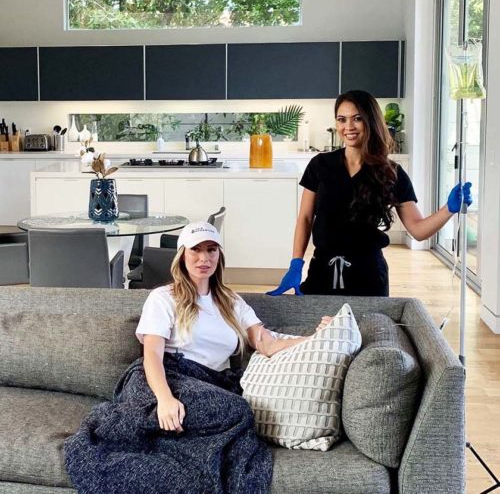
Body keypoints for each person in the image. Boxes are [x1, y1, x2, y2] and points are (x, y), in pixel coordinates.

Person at [65, 221, 308, 494]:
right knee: (237, 411)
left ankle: (172, 447)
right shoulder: (163, 298)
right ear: (182, 255)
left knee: (236, 410)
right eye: (196, 250)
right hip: (161, 377)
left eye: (211, 250)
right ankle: (143, 427)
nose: (204, 258)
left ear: (220, 255)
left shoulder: (232, 302)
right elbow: (152, 356)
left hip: (208, 384)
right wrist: (165, 398)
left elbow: (267, 343)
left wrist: (317, 338)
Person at [267, 89, 472, 297]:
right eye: (341, 119)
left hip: (368, 278)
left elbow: (418, 230)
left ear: (371, 121)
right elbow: (305, 218)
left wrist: (449, 209)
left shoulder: (391, 172)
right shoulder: (320, 165)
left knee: (366, 330)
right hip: (322, 273)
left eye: (357, 119)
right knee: (320, 329)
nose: (348, 127)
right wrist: (295, 264)